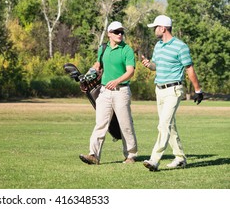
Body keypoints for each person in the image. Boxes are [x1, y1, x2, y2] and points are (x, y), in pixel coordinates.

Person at [141, 15, 203, 171]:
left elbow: (189, 68)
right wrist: (149, 64)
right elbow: (157, 66)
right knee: (170, 125)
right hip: (159, 90)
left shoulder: (180, 46)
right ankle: (180, 157)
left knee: (163, 125)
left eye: (156, 27)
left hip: (173, 90)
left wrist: (197, 89)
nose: (154, 30)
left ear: (163, 28)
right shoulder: (158, 46)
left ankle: (154, 159)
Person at [79, 21, 138, 165]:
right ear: (109, 33)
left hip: (121, 91)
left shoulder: (127, 50)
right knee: (100, 124)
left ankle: (131, 155)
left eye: (122, 32)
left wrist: (117, 81)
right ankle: (94, 155)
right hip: (104, 91)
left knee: (125, 125)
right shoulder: (103, 48)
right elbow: (97, 66)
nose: (120, 34)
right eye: (117, 32)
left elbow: (130, 71)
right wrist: (87, 76)